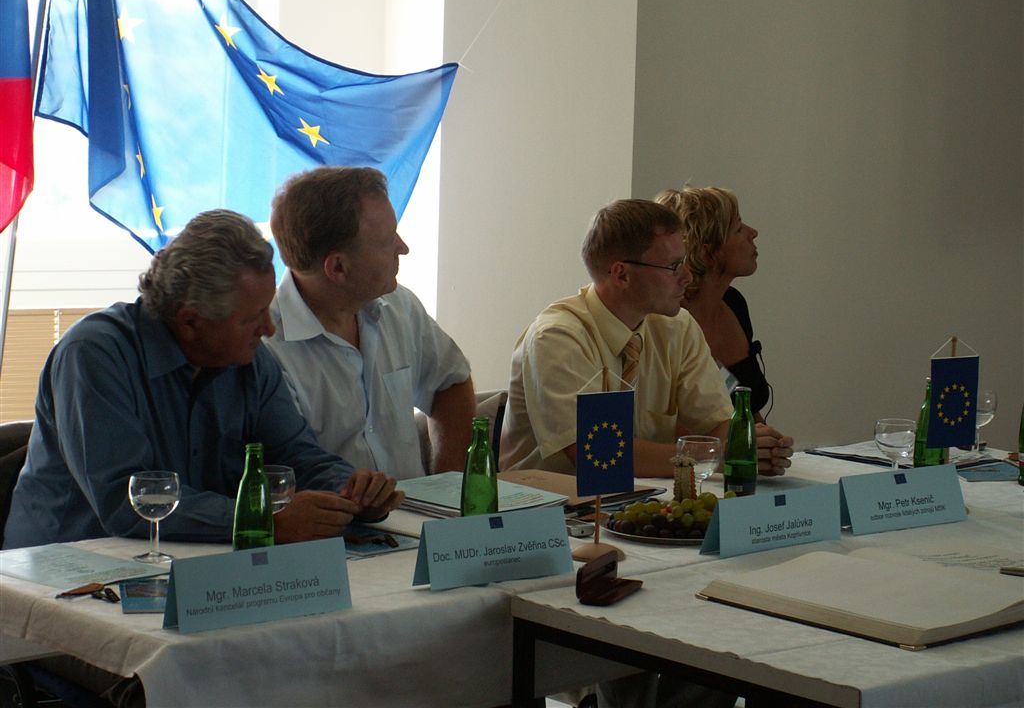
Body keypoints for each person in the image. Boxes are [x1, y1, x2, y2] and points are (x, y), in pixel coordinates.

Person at [4, 210, 403, 551]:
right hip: (60, 574)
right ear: (190, 322)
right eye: (251, 318)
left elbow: (297, 456)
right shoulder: (94, 355)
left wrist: (352, 491)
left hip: (191, 563)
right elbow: (126, 503)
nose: (268, 329)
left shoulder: (249, 360)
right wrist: (263, 520)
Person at [500, 198, 793, 478]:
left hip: (644, 497)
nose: (688, 276)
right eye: (673, 266)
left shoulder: (677, 326)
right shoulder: (557, 337)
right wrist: (714, 455)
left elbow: (717, 424)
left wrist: (751, 445)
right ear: (622, 275)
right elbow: (598, 452)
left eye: (685, 262)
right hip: (550, 504)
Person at [265, 166, 475, 479]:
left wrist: (447, 482)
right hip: (334, 511)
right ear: (338, 267)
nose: (403, 247)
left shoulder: (399, 306)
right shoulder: (266, 348)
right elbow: (287, 471)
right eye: (388, 240)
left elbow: (450, 383)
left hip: (417, 508)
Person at [655, 186, 773, 420]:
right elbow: (662, 424)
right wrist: (738, 438)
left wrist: (769, 439)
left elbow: (745, 411)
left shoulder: (733, 303)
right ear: (708, 253)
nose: (753, 232)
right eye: (738, 229)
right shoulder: (666, 323)